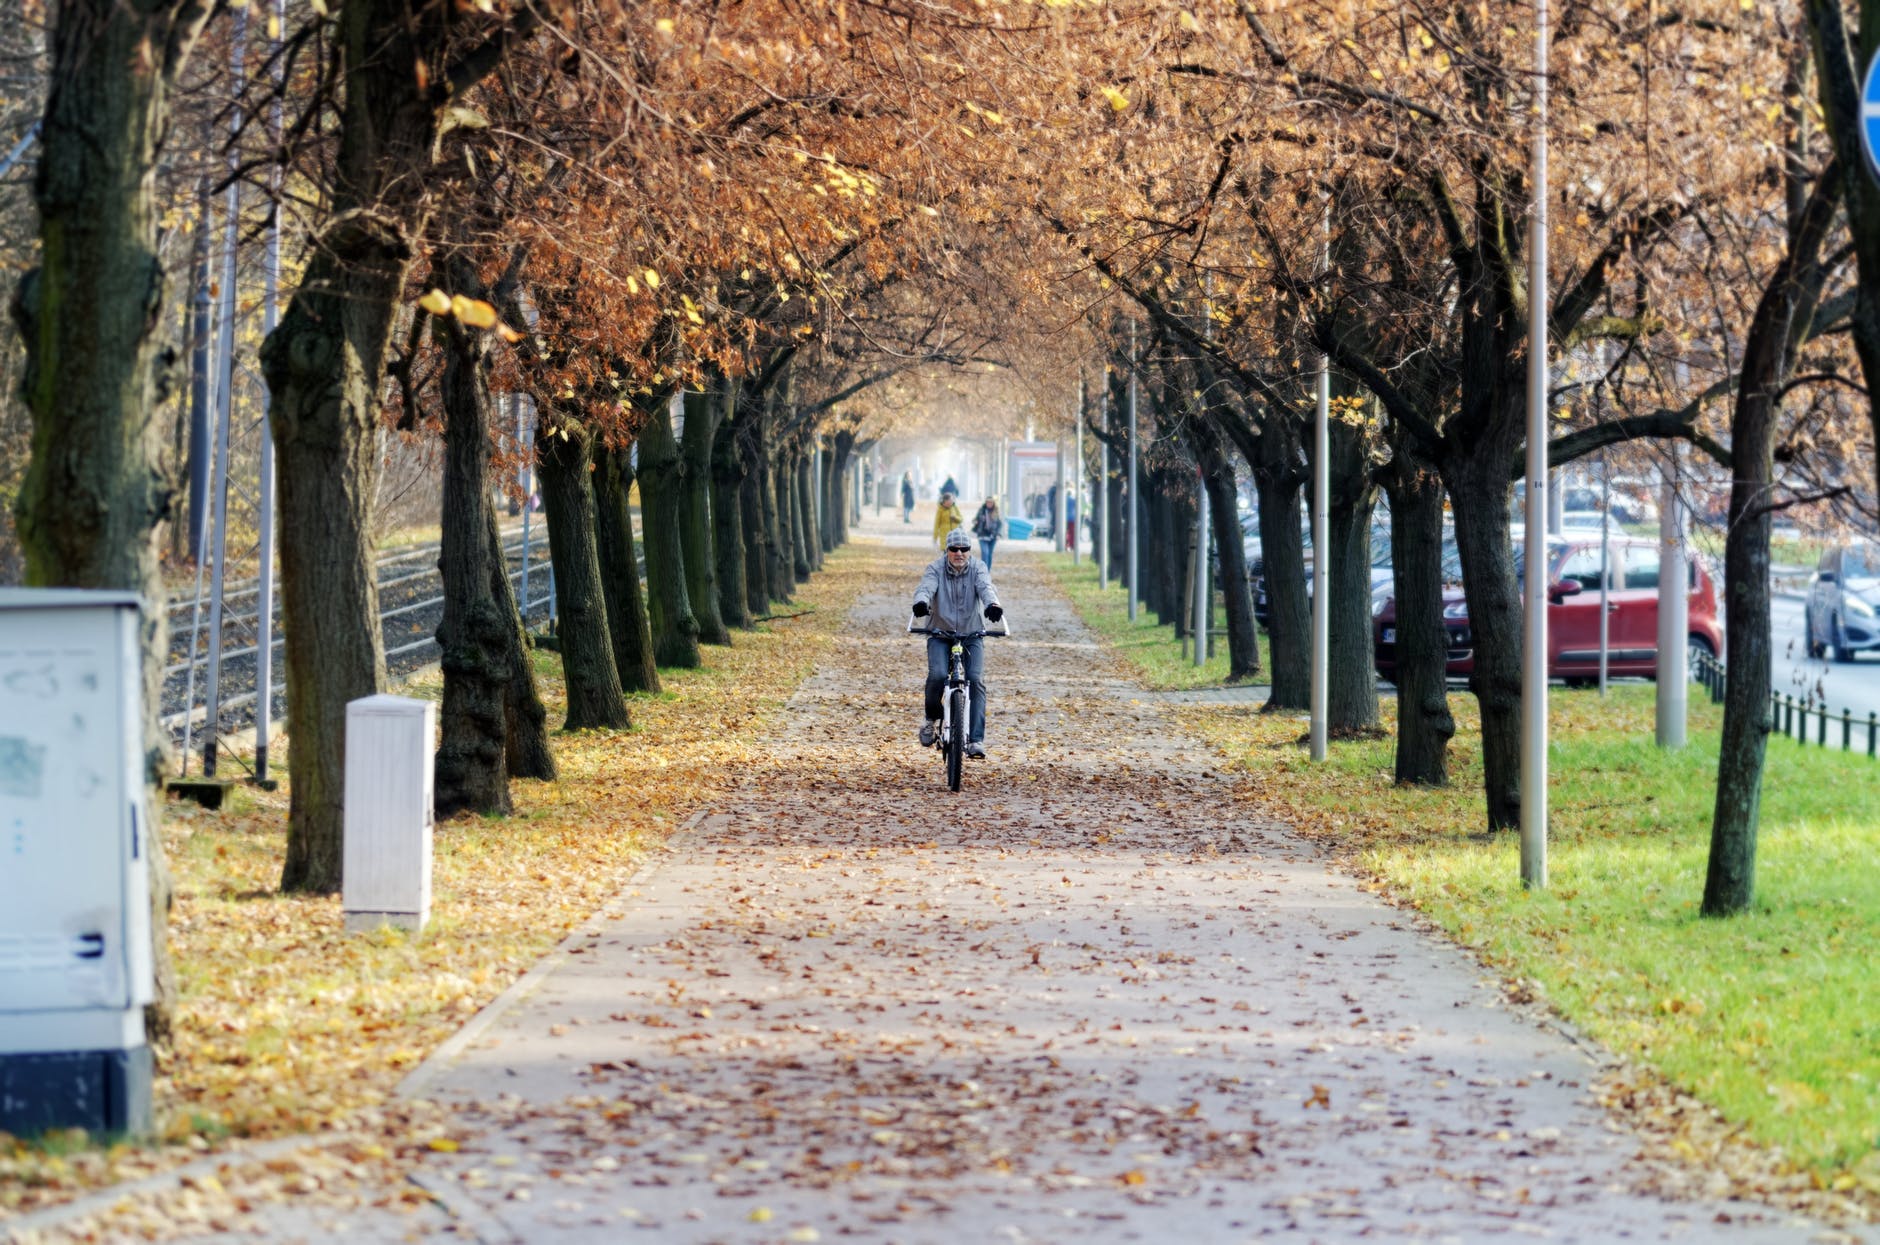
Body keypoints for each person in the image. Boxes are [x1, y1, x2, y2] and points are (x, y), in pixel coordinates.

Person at [911, 527, 1003, 759]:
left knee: (975, 679)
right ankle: (931, 719)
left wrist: (992, 604)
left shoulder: (978, 567)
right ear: (947, 550)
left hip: (971, 633)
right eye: (954, 549)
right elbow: (926, 587)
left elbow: (985, 587)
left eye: (964, 549)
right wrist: (921, 602)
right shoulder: (935, 568)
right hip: (940, 632)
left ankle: (976, 740)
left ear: (970, 551)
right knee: (938, 674)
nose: (959, 553)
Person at [972, 496, 1003, 567]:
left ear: (993, 503)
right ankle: (984, 571)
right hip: (982, 535)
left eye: (990, 502)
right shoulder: (981, 510)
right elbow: (976, 519)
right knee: (985, 553)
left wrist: (998, 534)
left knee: (989, 554)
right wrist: (975, 521)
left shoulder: (996, 511)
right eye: (987, 502)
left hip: (993, 536)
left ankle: (987, 571)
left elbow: (1000, 524)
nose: (989, 503)